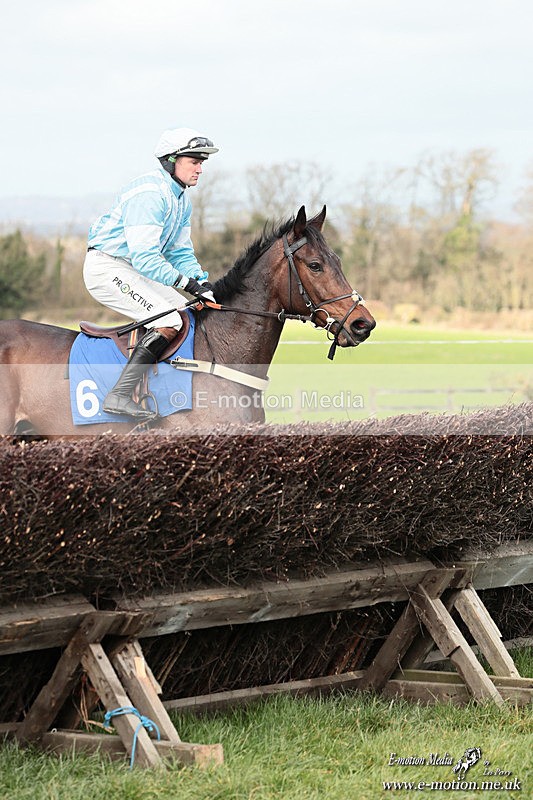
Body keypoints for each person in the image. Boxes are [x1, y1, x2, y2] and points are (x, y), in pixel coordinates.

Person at [83, 127, 219, 419]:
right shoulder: (150, 194)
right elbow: (146, 259)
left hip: (131, 268)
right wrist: (188, 284)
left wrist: (201, 281)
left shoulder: (181, 200)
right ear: (171, 161)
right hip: (107, 267)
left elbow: (179, 253)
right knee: (168, 320)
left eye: (201, 162)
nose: (200, 169)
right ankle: (119, 395)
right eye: (194, 161)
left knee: (185, 313)